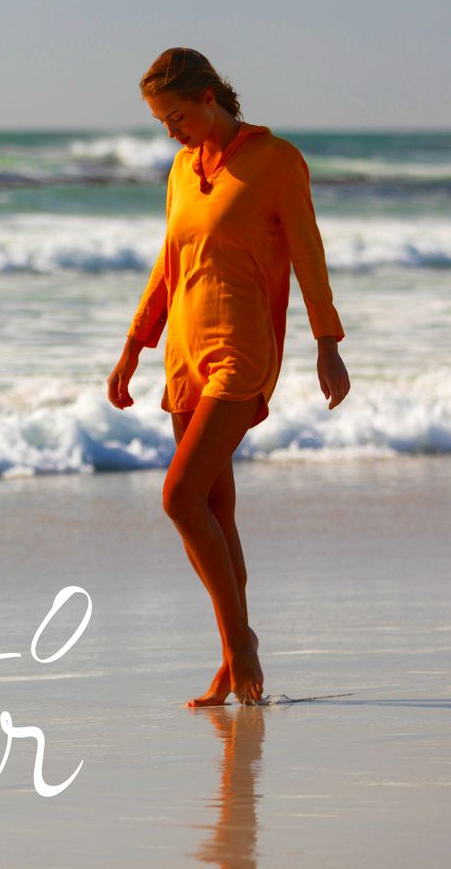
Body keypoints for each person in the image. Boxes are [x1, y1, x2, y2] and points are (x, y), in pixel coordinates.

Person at [107, 48, 350, 707]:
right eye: (162, 122)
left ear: (209, 99)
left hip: (243, 349)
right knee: (215, 509)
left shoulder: (276, 162)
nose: (171, 132)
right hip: (184, 347)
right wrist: (135, 342)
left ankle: (241, 645)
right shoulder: (183, 169)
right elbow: (169, 259)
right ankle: (231, 656)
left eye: (177, 117)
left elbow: (307, 253)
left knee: (178, 497)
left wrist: (328, 342)